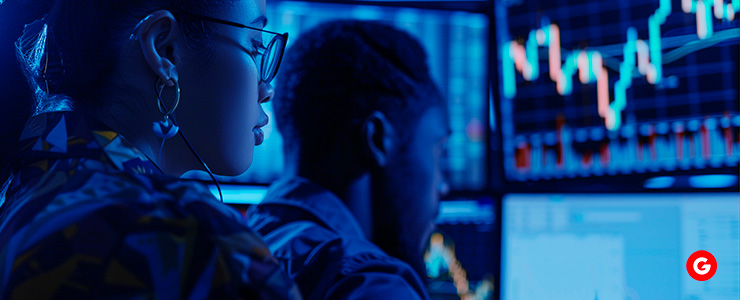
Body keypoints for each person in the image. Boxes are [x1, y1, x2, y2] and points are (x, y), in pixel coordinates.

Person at [0, 0, 301, 299]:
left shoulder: (26, 191)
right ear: (165, 49)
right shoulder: (192, 242)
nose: (267, 87)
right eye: (254, 46)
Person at [246, 20, 450, 300]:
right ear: (377, 139)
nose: (443, 186)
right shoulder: (373, 287)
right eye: (438, 151)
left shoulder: (235, 246)